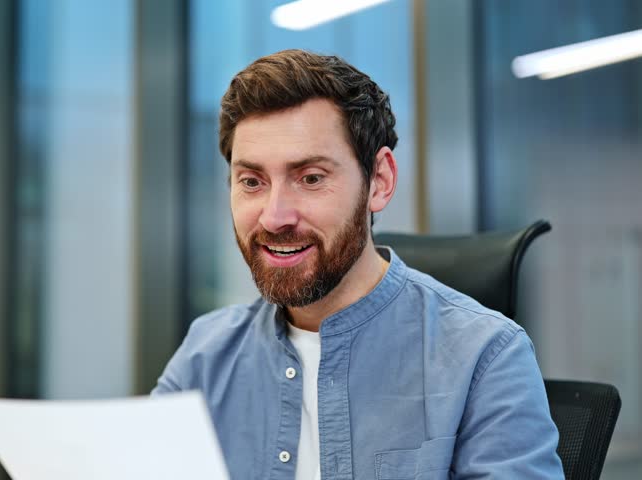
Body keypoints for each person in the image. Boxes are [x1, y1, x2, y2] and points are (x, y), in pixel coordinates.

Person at [152, 49, 563, 480]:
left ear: (379, 182)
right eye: (252, 182)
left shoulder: (486, 357)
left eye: (311, 178)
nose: (275, 217)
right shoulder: (206, 355)